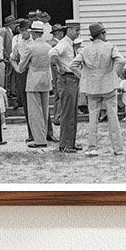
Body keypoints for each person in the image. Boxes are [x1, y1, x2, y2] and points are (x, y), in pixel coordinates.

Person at [71, 22, 125, 156]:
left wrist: (84, 77)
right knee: (113, 117)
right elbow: (121, 61)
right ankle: (117, 148)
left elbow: (72, 65)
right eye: (104, 32)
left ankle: (92, 147)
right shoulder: (110, 47)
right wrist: (115, 74)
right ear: (101, 34)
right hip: (109, 87)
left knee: (93, 119)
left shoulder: (84, 50)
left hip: (92, 88)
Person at [18, 20, 53, 147]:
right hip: (46, 79)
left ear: (33, 33)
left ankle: (39, 140)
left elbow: (21, 67)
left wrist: (20, 65)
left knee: (35, 112)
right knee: (45, 110)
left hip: (33, 80)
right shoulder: (48, 47)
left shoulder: (30, 47)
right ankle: (43, 136)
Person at [50, 20, 83, 153]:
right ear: (69, 30)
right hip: (66, 79)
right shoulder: (63, 43)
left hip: (72, 79)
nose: (78, 33)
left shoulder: (70, 44)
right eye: (76, 30)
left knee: (73, 113)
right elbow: (52, 54)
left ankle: (70, 142)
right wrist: (60, 67)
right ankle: (65, 144)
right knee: (67, 113)